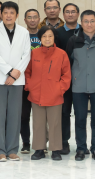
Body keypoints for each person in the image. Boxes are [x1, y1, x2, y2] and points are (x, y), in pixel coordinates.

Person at [0, 0, 32, 162]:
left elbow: (26, 55)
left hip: (17, 80)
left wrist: (14, 75)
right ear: (1, 14)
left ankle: (12, 149)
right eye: (5, 12)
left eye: (11, 13)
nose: (8, 15)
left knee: (15, 115)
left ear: (17, 15)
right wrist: (9, 71)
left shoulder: (24, 32)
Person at [66, 9, 95, 161]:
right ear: (81, 22)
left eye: (92, 21)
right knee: (80, 119)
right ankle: (81, 148)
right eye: (86, 21)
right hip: (79, 86)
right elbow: (68, 62)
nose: (89, 24)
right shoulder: (73, 40)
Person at [26, 26, 71, 161]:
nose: (47, 39)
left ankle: (55, 150)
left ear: (54, 38)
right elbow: (27, 72)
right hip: (36, 94)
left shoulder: (61, 54)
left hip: (55, 95)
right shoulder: (33, 53)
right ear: (40, 38)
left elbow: (66, 75)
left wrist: (60, 89)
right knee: (38, 123)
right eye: (44, 36)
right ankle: (39, 149)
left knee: (55, 123)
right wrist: (30, 86)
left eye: (50, 36)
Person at [54, 2, 80, 154]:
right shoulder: (57, 33)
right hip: (63, 79)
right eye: (67, 12)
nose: (70, 14)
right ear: (63, 14)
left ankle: (81, 144)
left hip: (80, 78)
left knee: (81, 113)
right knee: (64, 112)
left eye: (73, 11)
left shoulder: (84, 31)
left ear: (78, 14)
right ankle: (64, 141)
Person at [21, 8, 43, 153]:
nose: (33, 20)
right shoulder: (21, 35)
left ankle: (41, 143)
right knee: (24, 115)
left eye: (35, 17)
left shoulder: (44, 35)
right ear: (25, 20)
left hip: (41, 81)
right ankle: (26, 143)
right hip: (23, 80)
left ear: (39, 19)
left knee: (40, 116)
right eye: (29, 17)